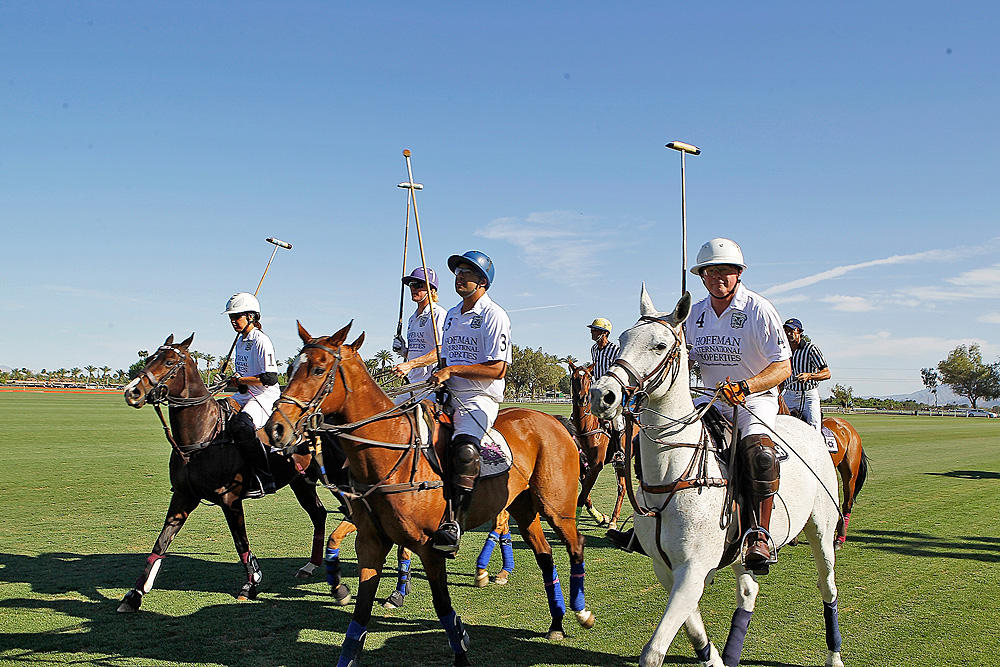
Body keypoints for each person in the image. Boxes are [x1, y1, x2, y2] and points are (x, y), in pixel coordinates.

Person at [608, 238, 790, 572]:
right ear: (702, 276)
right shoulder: (698, 313)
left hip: (753, 399)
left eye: (726, 271)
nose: (718, 277)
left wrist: (747, 385)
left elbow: (783, 366)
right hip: (709, 398)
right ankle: (646, 525)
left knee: (758, 454)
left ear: (738, 274)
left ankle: (759, 534)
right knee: (648, 443)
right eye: (711, 271)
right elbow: (675, 355)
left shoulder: (758, 309)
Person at [427, 250, 512, 554]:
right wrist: (439, 372)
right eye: (457, 271)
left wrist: (452, 370)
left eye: (467, 272)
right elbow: (447, 356)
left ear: (483, 282)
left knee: (464, 451)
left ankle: (454, 525)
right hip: (445, 392)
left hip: (478, 397)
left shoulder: (494, 315)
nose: (459, 276)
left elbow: (498, 368)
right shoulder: (450, 314)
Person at [222, 292, 281, 498]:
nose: (233, 321)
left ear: (251, 316)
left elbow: (270, 378)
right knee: (217, 413)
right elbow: (243, 378)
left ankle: (264, 478)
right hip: (246, 395)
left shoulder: (261, 340)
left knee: (240, 426)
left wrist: (240, 381)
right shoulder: (240, 341)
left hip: (265, 397)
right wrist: (236, 381)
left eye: (236, 316)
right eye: (231, 317)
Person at [391, 267, 448, 398]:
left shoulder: (438, 315)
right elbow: (418, 351)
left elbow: (441, 351)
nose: (413, 288)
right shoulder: (412, 318)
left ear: (431, 289)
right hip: (412, 384)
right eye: (411, 285)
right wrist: (404, 350)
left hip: (431, 386)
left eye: (417, 285)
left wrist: (410, 365)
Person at [781, 317, 831, 431]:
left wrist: (809, 375)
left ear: (800, 332)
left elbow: (827, 373)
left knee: (814, 428)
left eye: (792, 330)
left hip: (808, 395)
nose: (788, 333)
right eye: (786, 330)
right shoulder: (783, 351)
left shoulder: (811, 349)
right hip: (788, 395)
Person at [588, 317, 624, 466]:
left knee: (617, 421)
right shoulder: (593, 349)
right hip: (596, 391)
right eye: (592, 329)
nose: (592, 332)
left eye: (595, 330)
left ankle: (619, 452)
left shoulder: (615, 350)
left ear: (604, 333)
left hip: (610, 393)